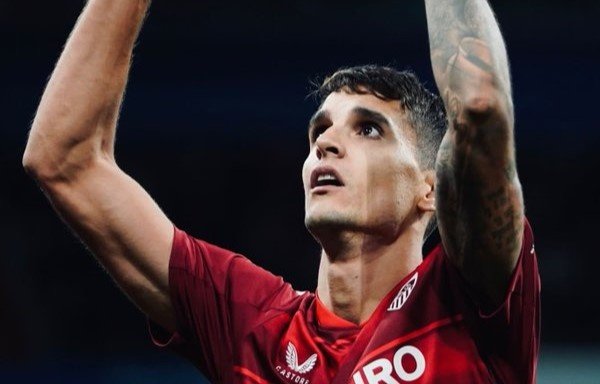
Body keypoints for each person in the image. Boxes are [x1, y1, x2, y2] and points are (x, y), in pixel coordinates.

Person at [23, 0, 539, 383]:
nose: (328, 144)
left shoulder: (468, 300)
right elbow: (64, 159)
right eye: (319, 131)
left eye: (368, 129)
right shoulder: (254, 325)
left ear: (430, 189)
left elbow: (479, 111)